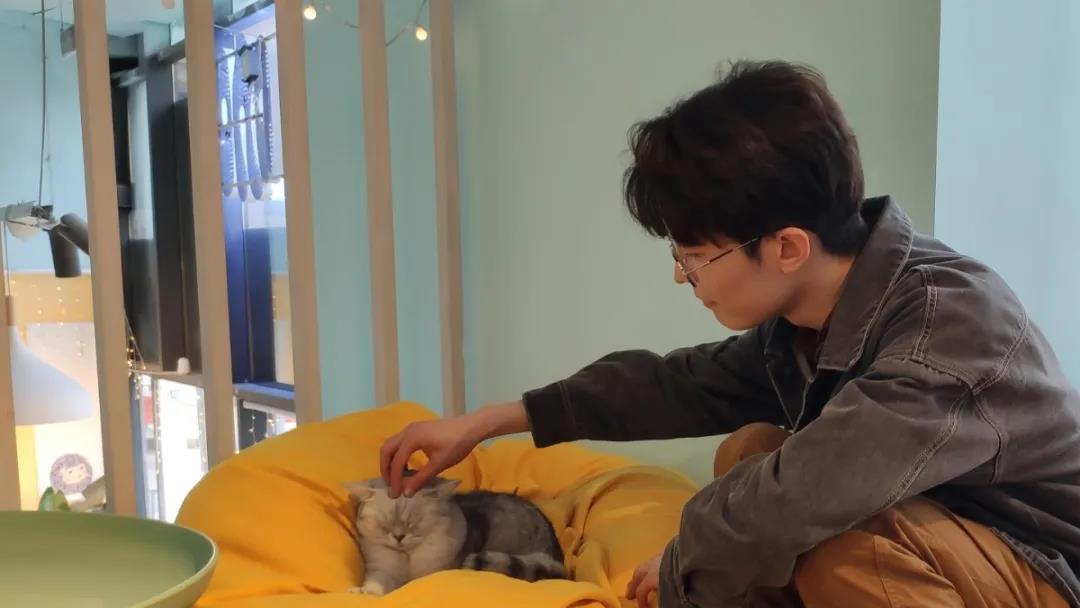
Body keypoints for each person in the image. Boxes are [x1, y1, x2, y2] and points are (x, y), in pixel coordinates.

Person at [380, 61, 1080, 607]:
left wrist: (682, 563)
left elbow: (804, 494)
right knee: (748, 452)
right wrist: (491, 421)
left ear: (787, 247)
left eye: (694, 256)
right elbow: (681, 385)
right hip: (953, 538)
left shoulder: (945, 327)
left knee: (834, 537)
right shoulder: (811, 315)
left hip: (1044, 567)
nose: (683, 276)